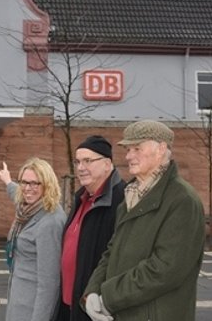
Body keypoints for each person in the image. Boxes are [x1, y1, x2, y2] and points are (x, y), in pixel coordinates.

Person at [82, 120, 205, 321]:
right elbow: (111, 252)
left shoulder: (182, 200)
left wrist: (108, 297)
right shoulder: (130, 197)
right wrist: (93, 292)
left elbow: (165, 269)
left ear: (161, 149)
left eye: (137, 148)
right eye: (128, 149)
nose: (128, 156)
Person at [56, 135, 127, 321]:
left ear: (107, 164)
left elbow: (120, 260)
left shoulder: (122, 201)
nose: (80, 168)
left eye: (88, 161)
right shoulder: (81, 198)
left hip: (94, 308)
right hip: (68, 304)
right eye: (78, 161)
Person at [0, 157, 66, 321]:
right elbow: (17, 194)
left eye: (35, 183)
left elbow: (49, 283)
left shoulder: (50, 222)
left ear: (47, 185)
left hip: (31, 308)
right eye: (24, 182)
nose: (28, 188)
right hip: (19, 301)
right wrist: (7, 180)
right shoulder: (29, 208)